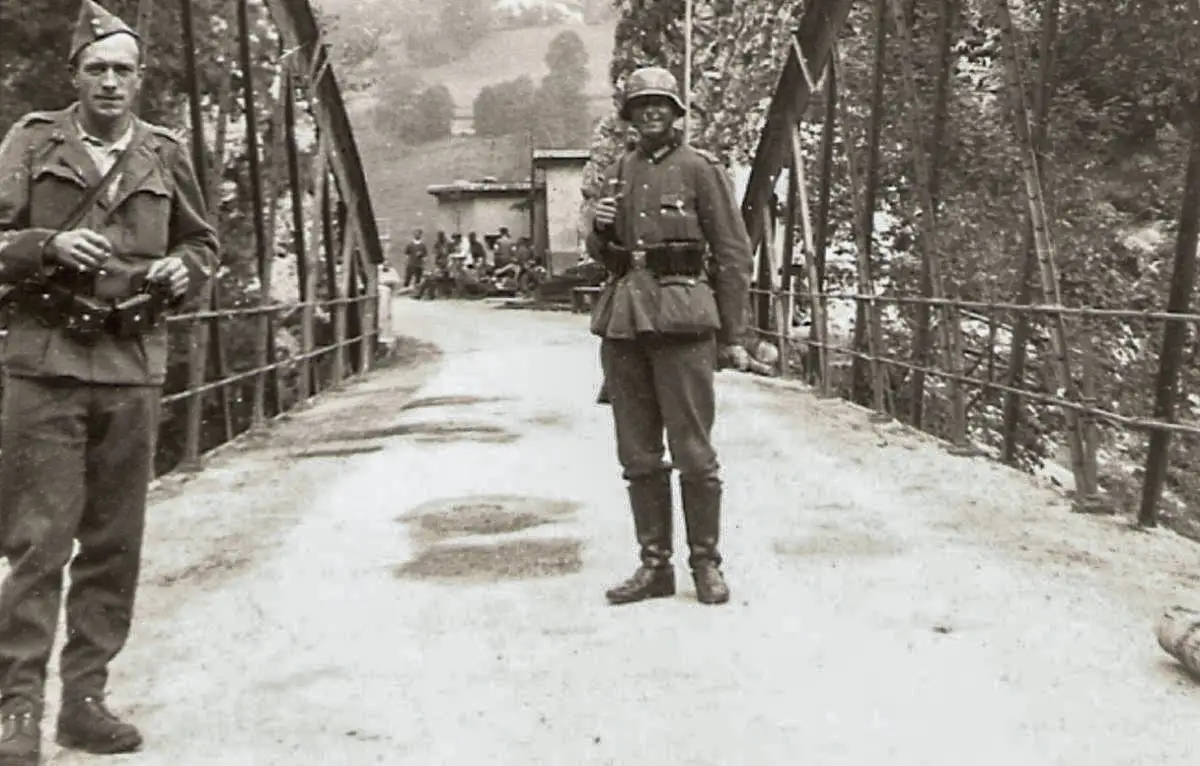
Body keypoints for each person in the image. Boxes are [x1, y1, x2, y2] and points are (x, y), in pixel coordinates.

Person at [0, 2, 219, 762]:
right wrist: (47, 244)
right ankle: (18, 709)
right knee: (37, 543)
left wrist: (180, 270)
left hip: (131, 369)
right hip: (46, 364)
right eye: (96, 69)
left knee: (114, 543)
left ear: (140, 79)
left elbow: (203, 243)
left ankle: (84, 701)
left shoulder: (163, 152)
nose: (111, 82)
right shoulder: (31, 143)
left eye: (123, 69)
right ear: (74, 76)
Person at [588, 66, 752, 607]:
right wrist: (599, 227)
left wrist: (734, 335)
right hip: (624, 324)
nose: (651, 113)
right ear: (630, 117)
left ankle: (705, 565)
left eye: (660, 104)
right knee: (637, 454)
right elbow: (608, 257)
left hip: (683, 321)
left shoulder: (700, 169)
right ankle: (654, 567)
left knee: (694, 453)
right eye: (641, 106)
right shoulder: (621, 169)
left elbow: (732, 253)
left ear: (676, 112)